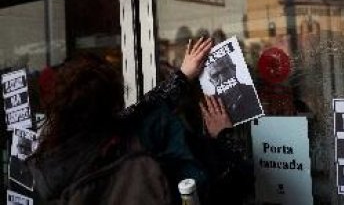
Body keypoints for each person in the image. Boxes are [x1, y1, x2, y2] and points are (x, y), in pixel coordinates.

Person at [27, 37, 212, 205]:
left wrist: (181, 78)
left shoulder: (47, 165)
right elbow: (195, 184)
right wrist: (219, 137)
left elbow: (142, 110)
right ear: (113, 103)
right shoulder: (125, 145)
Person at [207, 54, 262, 124]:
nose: (223, 78)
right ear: (211, 81)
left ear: (234, 68)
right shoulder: (210, 106)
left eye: (225, 70)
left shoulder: (254, 92)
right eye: (215, 76)